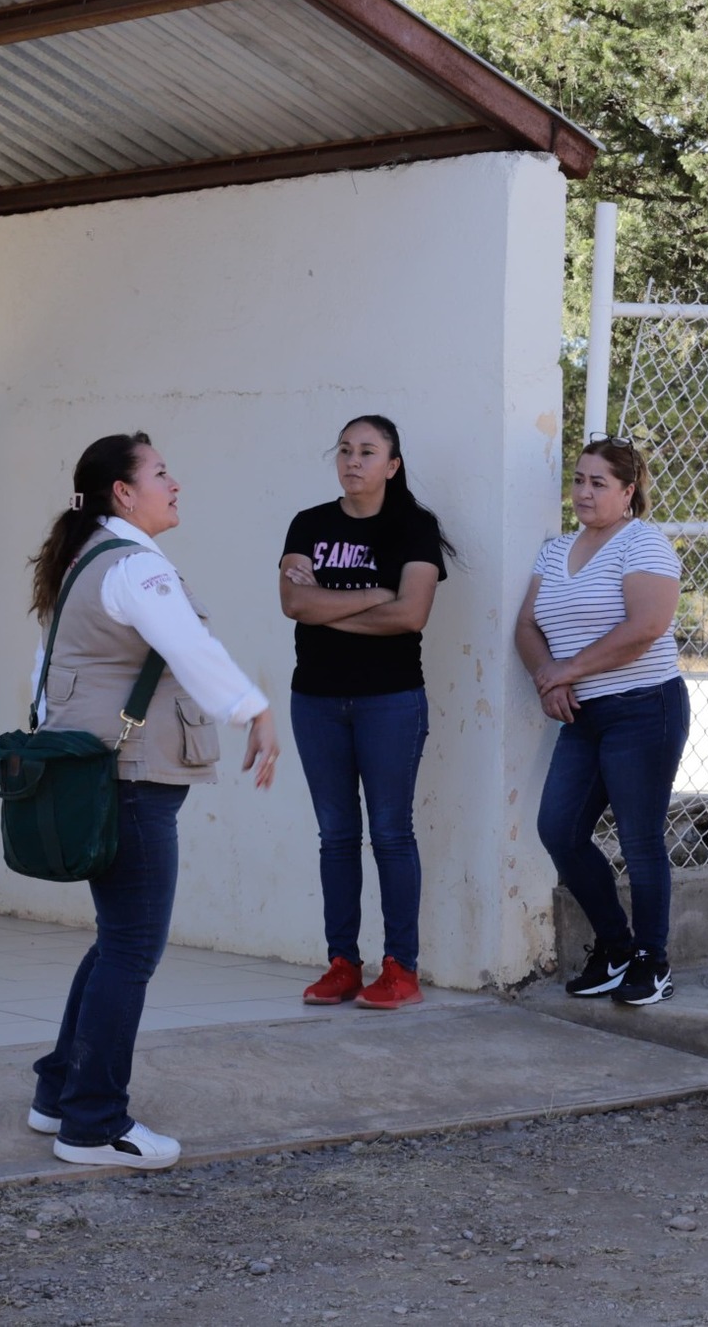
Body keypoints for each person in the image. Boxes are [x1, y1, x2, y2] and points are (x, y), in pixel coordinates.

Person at [24, 432, 281, 1171]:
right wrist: (256, 709)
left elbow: (44, 672)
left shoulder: (87, 557)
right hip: (132, 779)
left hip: (107, 774)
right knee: (132, 948)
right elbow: (190, 647)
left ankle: (59, 1093)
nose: (176, 483)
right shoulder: (135, 565)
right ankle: (93, 1124)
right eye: (162, 473)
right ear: (123, 493)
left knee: (117, 942)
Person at [280, 416, 453, 1009]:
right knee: (335, 836)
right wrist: (376, 595)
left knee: (390, 833)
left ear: (392, 465)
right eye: (345, 450)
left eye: (368, 452)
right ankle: (342, 964)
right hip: (316, 700)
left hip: (390, 701)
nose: (353, 461)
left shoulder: (414, 527)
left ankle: (401, 968)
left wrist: (327, 607)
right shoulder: (309, 523)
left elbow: (411, 615)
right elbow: (292, 601)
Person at [517, 437, 689, 1008]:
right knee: (559, 830)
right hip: (583, 715)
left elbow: (646, 627)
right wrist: (549, 677)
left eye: (599, 483)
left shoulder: (643, 543)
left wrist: (567, 670)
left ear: (627, 491)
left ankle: (652, 962)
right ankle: (615, 948)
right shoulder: (554, 552)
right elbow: (526, 626)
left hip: (644, 708)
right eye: (579, 480)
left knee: (640, 839)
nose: (584, 492)